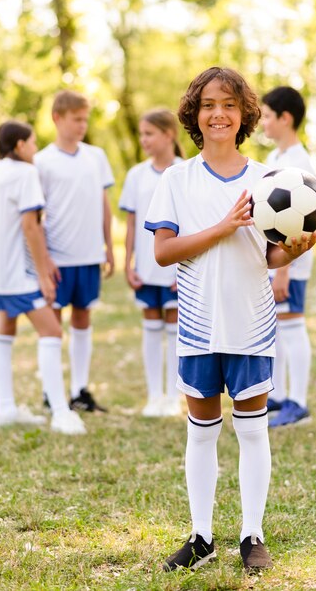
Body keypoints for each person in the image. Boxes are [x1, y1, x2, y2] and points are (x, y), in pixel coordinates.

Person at [144, 67, 316, 571]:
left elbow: (268, 257)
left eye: (228, 104)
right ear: (193, 115)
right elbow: (163, 252)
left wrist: (297, 247)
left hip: (251, 323)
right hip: (199, 325)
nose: (217, 113)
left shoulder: (270, 179)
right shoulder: (177, 179)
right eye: (207, 105)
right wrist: (222, 227)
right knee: (201, 432)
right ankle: (201, 537)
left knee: (252, 431)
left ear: (245, 113)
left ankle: (251, 535)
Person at [0, 121, 86, 435]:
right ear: (20, 145)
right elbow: (30, 227)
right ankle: (61, 413)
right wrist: (43, 275)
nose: (36, 149)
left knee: (4, 329)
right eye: (34, 143)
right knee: (51, 331)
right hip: (18, 274)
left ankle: (6, 409)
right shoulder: (25, 174)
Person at [34, 90, 115, 413]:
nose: (82, 125)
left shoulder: (96, 157)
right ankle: (50, 391)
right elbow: (35, 216)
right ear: (57, 118)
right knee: (52, 325)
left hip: (89, 255)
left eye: (85, 119)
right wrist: (44, 258)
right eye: (76, 119)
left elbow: (104, 204)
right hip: (57, 257)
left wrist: (109, 247)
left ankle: (79, 389)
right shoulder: (40, 161)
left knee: (83, 319)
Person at [119, 109, 185, 417]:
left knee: (174, 332)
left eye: (149, 134)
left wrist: (185, 265)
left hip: (174, 268)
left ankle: (173, 397)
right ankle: (153, 396)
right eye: (142, 134)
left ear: (169, 134)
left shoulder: (185, 171)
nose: (143, 140)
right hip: (145, 267)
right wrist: (127, 263)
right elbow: (132, 223)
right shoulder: (136, 175)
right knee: (150, 329)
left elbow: (192, 224)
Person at [261, 86, 315, 427]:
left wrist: (284, 270)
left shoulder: (300, 162)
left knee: (293, 327)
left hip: (290, 263)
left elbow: (305, 221)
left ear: (286, 118)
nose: (263, 123)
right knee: (277, 329)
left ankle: (299, 403)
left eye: (267, 116)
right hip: (273, 259)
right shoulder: (275, 159)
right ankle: (278, 396)